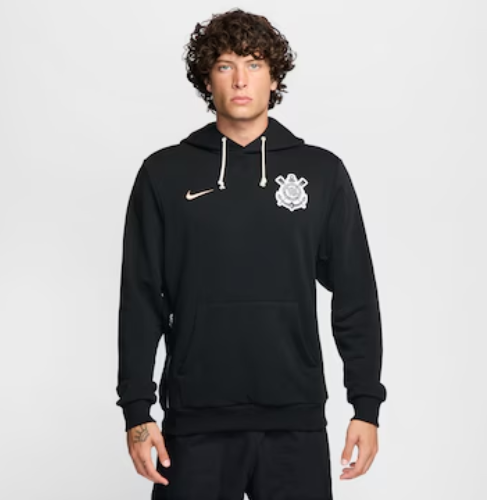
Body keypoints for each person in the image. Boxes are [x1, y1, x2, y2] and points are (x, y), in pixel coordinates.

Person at [115, 8, 387, 499]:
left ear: (274, 77)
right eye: (225, 65)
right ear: (207, 79)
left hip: (294, 418)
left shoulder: (321, 172)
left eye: (255, 64)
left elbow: (356, 296)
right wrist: (137, 411)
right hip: (194, 420)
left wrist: (365, 406)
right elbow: (141, 299)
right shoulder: (164, 173)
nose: (240, 79)